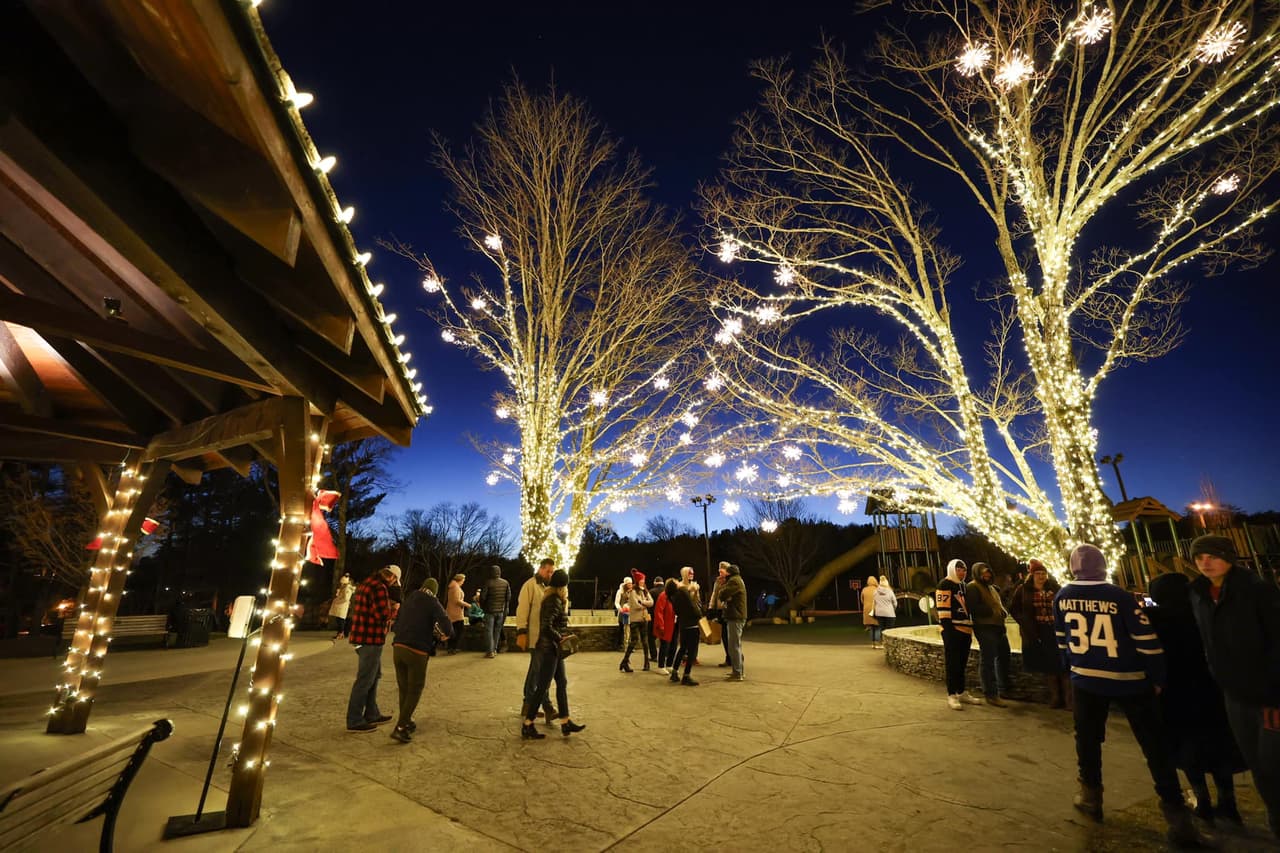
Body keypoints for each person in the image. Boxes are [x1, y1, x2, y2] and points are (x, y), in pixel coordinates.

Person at [1054, 544, 1201, 846]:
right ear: (1103, 565)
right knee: (1154, 746)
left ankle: (1091, 796)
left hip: (1085, 680)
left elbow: (1061, 640)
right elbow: (1147, 641)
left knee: (1087, 740)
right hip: (1130, 680)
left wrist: (1073, 667)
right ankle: (1176, 814)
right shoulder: (1120, 597)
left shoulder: (1062, 596)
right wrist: (1157, 677)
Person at [1187, 534, 1280, 840]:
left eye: (1212, 556)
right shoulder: (1199, 594)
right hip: (1233, 691)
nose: (1206, 563)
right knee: (1255, 761)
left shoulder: (1257, 591)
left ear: (1229, 557)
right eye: (1200, 558)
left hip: (1268, 693)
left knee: (1272, 763)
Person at [1147, 571, 1247, 827]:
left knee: (1187, 748)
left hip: (1175, 691)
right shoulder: (1203, 612)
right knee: (1218, 745)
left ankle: (1202, 801)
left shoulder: (1154, 619)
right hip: (1210, 689)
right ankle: (1228, 802)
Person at [522, 569, 586, 739]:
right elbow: (546, 626)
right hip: (550, 649)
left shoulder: (554, 599)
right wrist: (560, 638)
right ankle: (528, 723)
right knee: (542, 686)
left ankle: (565, 721)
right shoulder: (553, 601)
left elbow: (553, 624)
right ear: (562, 586)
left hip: (554, 648)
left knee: (562, 682)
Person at [388, 577, 453, 744]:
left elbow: (398, 620)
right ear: (435, 590)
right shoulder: (432, 601)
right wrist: (446, 634)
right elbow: (446, 624)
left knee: (404, 688)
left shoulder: (409, 598)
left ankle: (406, 720)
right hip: (416, 650)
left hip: (398, 647)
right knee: (415, 689)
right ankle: (401, 727)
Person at [345, 566, 400, 733]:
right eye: (394, 581)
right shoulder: (379, 587)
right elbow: (382, 615)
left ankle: (372, 713)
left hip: (361, 636)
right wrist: (394, 608)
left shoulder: (366, 583)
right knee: (365, 680)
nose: (393, 585)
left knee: (374, 676)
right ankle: (354, 719)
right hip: (370, 638)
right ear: (391, 577)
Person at [1011, 559, 1069, 709]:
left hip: (1056, 629)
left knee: (1063, 663)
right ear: (1032, 575)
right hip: (1039, 631)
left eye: (1044, 573)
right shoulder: (1024, 590)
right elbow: (1013, 608)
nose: (1041, 576)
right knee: (1049, 664)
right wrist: (1024, 622)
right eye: (1038, 573)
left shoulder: (1054, 588)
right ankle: (1056, 697)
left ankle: (1069, 698)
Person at [515, 558, 558, 726]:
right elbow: (522, 609)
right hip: (535, 636)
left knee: (537, 671)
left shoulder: (548, 587)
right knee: (539, 672)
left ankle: (528, 703)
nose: (550, 574)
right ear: (541, 569)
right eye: (548, 571)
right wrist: (521, 631)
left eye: (552, 572)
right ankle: (545, 706)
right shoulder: (530, 585)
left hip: (545, 637)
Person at [936, 559, 980, 710]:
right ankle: (951, 694)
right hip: (952, 630)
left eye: (965, 570)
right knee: (952, 663)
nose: (962, 572)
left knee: (962, 664)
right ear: (952, 569)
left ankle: (961, 691)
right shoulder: (945, 584)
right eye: (959, 569)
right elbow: (943, 610)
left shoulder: (963, 586)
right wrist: (949, 631)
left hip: (966, 630)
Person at [967, 562, 1012, 707]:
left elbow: (998, 604)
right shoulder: (973, 587)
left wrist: (1002, 611)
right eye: (983, 573)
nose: (986, 575)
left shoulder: (992, 588)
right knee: (988, 661)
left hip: (998, 627)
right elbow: (973, 607)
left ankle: (1003, 689)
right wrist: (991, 611)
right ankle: (991, 694)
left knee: (1004, 656)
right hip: (985, 628)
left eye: (988, 572)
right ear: (977, 574)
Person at [669, 566, 703, 686]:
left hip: (683, 623)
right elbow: (693, 606)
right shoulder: (683, 591)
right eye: (689, 573)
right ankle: (686, 675)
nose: (691, 575)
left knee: (683, 648)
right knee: (691, 650)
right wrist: (700, 615)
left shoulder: (674, 594)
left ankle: (674, 671)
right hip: (691, 623)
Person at [617, 570, 654, 673]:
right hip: (635, 619)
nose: (643, 582)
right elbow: (636, 605)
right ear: (637, 581)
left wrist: (642, 602)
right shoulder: (633, 591)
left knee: (645, 642)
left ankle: (647, 662)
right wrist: (644, 604)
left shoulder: (645, 591)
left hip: (644, 618)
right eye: (641, 580)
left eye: (643, 580)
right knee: (634, 641)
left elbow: (651, 602)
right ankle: (625, 661)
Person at [719, 563, 747, 681]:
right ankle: (738, 670)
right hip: (736, 616)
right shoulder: (738, 580)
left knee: (733, 646)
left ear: (728, 573)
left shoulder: (734, 581)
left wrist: (723, 589)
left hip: (735, 617)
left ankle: (738, 673)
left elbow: (722, 594)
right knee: (736, 645)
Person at [480, 565, 511, 659]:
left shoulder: (488, 583)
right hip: (500, 611)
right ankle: (494, 649)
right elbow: (508, 597)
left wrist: (483, 607)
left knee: (489, 631)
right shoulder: (505, 583)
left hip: (489, 611)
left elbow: (482, 597)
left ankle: (490, 651)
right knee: (497, 631)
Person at [709, 561, 732, 667]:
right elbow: (714, 594)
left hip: (728, 610)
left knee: (730, 635)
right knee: (724, 635)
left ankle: (734, 657)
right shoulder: (718, 581)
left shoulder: (730, 581)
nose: (720, 573)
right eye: (719, 571)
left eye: (722, 571)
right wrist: (711, 607)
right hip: (720, 610)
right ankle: (728, 657)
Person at [653, 578, 676, 675]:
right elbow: (659, 612)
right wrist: (661, 625)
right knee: (664, 645)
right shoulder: (663, 596)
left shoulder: (672, 596)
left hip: (673, 624)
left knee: (673, 645)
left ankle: (669, 665)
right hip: (666, 625)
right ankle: (661, 666)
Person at [328, 573, 355, 640]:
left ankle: (341, 633)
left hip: (342, 606)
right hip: (340, 606)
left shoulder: (347, 589)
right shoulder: (344, 588)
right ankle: (340, 633)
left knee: (341, 620)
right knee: (339, 620)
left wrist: (338, 601)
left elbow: (346, 598)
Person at [445, 573, 466, 654]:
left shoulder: (452, 587)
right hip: (456, 613)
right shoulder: (456, 588)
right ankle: (453, 647)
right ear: (459, 580)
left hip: (451, 612)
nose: (463, 582)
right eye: (463, 580)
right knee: (459, 630)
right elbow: (457, 601)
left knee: (453, 630)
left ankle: (451, 647)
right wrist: (468, 605)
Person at [873, 576, 897, 643]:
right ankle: (889, 643)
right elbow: (895, 602)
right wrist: (893, 609)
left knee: (882, 629)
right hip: (889, 613)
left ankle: (882, 642)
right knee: (889, 630)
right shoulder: (890, 592)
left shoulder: (875, 592)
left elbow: (874, 601)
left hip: (879, 613)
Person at [647, 576, 664, 662]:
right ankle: (664, 654)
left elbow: (648, 605)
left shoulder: (651, 592)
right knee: (664, 637)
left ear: (655, 583)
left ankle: (654, 656)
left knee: (651, 637)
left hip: (653, 617)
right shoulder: (666, 591)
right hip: (665, 618)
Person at [861, 576, 881, 648]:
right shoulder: (878, 589)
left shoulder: (864, 590)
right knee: (877, 627)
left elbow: (862, 600)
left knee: (871, 627)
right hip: (876, 610)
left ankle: (873, 644)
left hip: (867, 610)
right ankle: (877, 643)